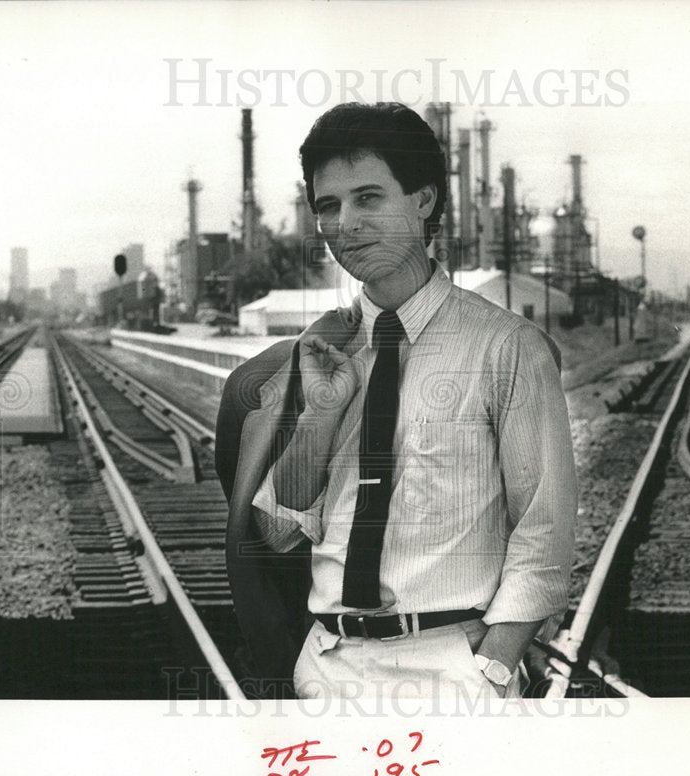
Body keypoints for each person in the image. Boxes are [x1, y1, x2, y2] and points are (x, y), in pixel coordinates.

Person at [218, 102, 576, 702]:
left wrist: (491, 668)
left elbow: (543, 532)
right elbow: (277, 534)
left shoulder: (506, 349)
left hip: (450, 672)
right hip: (327, 672)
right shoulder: (321, 355)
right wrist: (322, 415)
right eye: (328, 206)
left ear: (425, 201)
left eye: (369, 198)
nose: (346, 223)